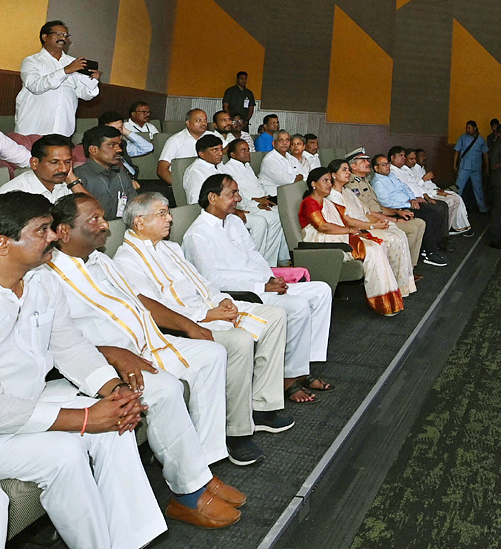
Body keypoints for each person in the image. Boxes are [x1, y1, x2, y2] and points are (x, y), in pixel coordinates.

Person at [46, 195, 246, 529]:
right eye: (93, 220)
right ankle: (187, 494)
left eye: (102, 217)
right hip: (104, 366)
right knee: (165, 390)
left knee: (212, 355)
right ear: (64, 231)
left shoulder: (100, 261)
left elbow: (140, 302)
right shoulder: (47, 275)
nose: (104, 225)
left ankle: (205, 466)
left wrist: (186, 324)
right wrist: (113, 354)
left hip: (148, 345)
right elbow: (60, 342)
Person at [0, 192, 168, 549]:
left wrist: (112, 390)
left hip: (30, 396)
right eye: (42, 230)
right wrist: (85, 417)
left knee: (115, 425)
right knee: (65, 454)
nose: (53, 237)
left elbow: (70, 345)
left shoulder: (42, 280)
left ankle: (129, 541)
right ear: (3, 244)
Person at [114, 192, 293, 465]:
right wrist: (208, 314)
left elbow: (202, 282)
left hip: (211, 307)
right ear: (139, 222)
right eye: (162, 213)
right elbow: (155, 310)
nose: (170, 218)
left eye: (167, 212)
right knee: (240, 340)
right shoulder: (126, 260)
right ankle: (235, 431)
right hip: (187, 323)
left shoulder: (169, 248)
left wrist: (224, 301)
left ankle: (262, 406)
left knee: (275, 315)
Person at [184, 174, 334, 404]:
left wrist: (272, 279)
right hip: (240, 295)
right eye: (232, 193)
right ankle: (289, 378)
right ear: (212, 198)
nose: (238, 198)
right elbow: (212, 280)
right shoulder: (197, 234)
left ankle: (302, 368)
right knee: (298, 305)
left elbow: (254, 255)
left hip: (264, 285)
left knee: (321, 291)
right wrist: (262, 286)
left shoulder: (233, 221)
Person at [301, 165, 413, 314]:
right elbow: (323, 227)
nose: (329, 184)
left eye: (329, 180)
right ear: (313, 184)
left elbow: (341, 221)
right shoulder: (309, 202)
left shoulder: (326, 202)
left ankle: (389, 299)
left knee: (377, 246)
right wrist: (349, 231)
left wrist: (353, 231)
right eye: (325, 181)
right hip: (320, 240)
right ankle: (382, 302)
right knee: (372, 250)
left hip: (337, 235)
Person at [15, 20, 100, 137]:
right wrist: (65, 71)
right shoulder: (32, 61)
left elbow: (84, 94)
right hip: (32, 128)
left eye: (65, 35)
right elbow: (35, 86)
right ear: (45, 37)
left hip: (63, 129)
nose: (63, 38)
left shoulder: (74, 62)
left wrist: (93, 81)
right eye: (58, 34)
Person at [345, 152, 427, 268]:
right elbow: (367, 213)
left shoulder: (364, 181)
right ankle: (401, 267)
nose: (368, 163)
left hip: (380, 216)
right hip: (372, 222)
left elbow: (378, 207)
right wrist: (394, 220)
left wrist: (397, 212)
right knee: (412, 229)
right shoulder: (352, 185)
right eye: (363, 161)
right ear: (353, 166)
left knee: (420, 223)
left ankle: (410, 267)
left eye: (367, 160)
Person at [219, 138, 290, 265]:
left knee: (284, 213)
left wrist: (265, 198)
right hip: (246, 206)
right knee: (274, 218)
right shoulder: (228, 169)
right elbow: (238, 196)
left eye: (248, 150)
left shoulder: (247, 166)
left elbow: (257, 186)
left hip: (259, 202)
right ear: (233, 154)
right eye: (243, 150)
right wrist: (257, 203)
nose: (247, 153)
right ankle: (264, 261)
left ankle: (282, 258)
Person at [371, 154, 448, 267]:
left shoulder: (391, 176)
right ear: (376, 168)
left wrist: (412, 199)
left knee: (435, 210)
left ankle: (430, 246)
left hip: (409, 203)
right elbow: (386, 203)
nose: (387, 167)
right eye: (383, 165)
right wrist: (408, 204)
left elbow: (405, 187)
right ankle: (430, 253)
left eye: (387, 164)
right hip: (399, 208)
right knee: (428, 215)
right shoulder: (378, 183)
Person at [398, 147, 471, 234]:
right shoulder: (403, 171)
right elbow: (415, 187)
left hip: (428, 193)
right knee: (447, 203)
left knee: (455, 198)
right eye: (412, 158)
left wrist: (436, 190)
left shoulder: (416, 169)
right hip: (420, 197)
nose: (415, 160)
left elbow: (424, 186)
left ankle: (446, 229)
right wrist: (427, 186)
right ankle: (443, 232)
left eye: (415, 159)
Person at [0, 134, 92, 202]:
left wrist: (73, 182)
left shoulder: (67, 185)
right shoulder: (12, 194)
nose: (63, 169)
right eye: (54, 162)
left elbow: (94, 215)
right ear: (34, 163)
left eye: (67, 162)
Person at [75, 125, 138, 220]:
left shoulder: (121, 174)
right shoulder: (79, 176)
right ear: (94, 150)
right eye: (112, 145)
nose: (119, 150)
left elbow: (135, 207)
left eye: (119, 145)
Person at [157, 109, 210, 186]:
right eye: (199, 120)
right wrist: (179, 187)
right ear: (188, 123)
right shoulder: (176, 140)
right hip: (182, 183)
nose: (203, 123)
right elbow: (162, 169)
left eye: (205, 120)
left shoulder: (212, 137)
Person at [453, 121, 489, 212]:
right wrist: (454, 164)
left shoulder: (481, 140)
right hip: (464, 167)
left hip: (476, 168)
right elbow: (457, 151)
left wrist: (487, 166)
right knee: (458, 188)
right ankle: (455, 208)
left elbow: (485, 153)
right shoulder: (462, 138)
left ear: (475, 128)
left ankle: (482, 207)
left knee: (478, 189)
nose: (467, 130)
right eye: (467, 128)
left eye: (469, 128)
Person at [258, 130, 305, 197]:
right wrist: (298, 177)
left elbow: (304, 176)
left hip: (293, 194)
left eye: (287, 140)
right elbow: (286, 181)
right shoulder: (269, 160)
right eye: (280, 140)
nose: (284, 143)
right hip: (274, 197)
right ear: (273, 143)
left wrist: (299, 178)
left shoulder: (293, 159)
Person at [183, 134, 226, 204]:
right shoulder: (195, 172)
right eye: (215, 150)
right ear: (202, 154)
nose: (220, 153)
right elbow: (195, 202)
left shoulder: (220, 166)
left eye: (221, 149)